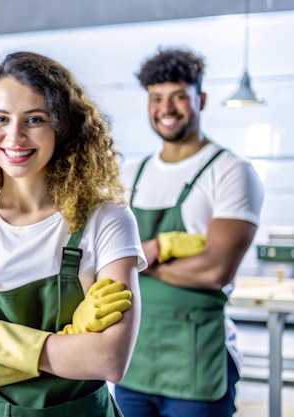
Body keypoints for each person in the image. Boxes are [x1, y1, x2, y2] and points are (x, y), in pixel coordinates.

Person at [0, 51, 146, 417]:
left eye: (35, 119)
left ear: (63, 127)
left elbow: (109, 360)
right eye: (0, 119)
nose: (15, 136)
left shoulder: (107, 221)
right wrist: (69, 348)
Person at [114, 48, 264, 417]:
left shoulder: (230, 171)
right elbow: (101, 262)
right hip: (130, 360)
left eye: (179, 96)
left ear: (201, 99)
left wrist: (139, 262)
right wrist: (158, 253)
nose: (167, 108)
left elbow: (215, 270)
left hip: (197, 364)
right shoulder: (131, 175)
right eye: (156, 98)